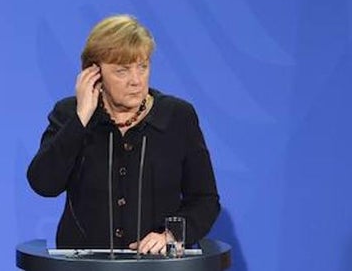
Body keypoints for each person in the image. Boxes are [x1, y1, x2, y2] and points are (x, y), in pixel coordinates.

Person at [27, 14, 219, 252]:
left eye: (143, 67)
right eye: (122, 71)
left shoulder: (177, 117)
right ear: (94, 73)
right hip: (84, 269)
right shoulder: (69, 114)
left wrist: (171, 236)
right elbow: (44, 184)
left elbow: (205, 200)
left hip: (156, 268)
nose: (136, 81)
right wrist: (81, 118)